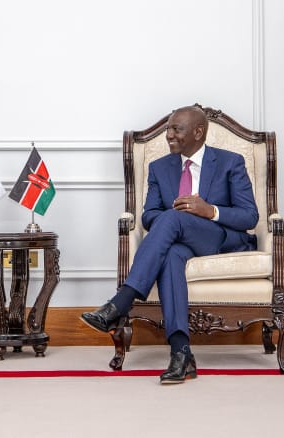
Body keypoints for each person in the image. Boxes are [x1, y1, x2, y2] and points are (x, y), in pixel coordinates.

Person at [80, 105, 258, 384]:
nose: (169, 135)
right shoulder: (159, 167)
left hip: (217, 237)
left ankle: (122, 301)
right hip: (178, 240)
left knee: (173, 219)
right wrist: (174, 217)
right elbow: (149, 216)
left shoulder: (230, 162)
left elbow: (250, 215)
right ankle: (181, 353)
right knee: (172, 255)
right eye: (168, 129)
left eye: (177, 129)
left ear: (198, 132)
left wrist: (209, 210)